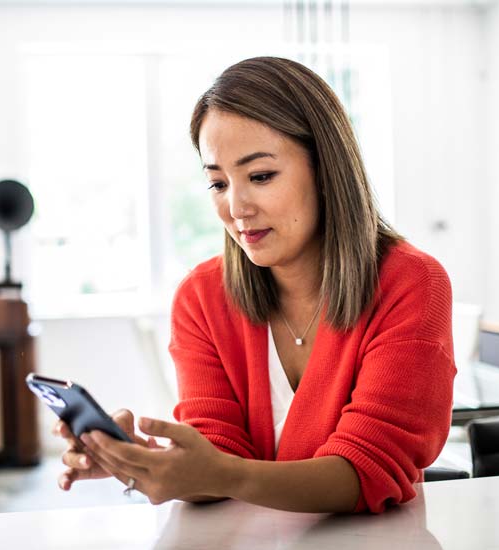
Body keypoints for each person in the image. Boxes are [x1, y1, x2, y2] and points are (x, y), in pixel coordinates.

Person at [54, 56, 456, 514]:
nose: (237, 207)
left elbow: (368, 470)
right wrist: (142, 461)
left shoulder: (410, 283)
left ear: (326, 170)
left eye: (260, 176)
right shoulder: (201, 297)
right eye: (218, 183)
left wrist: (220, 473)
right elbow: (217, 454)